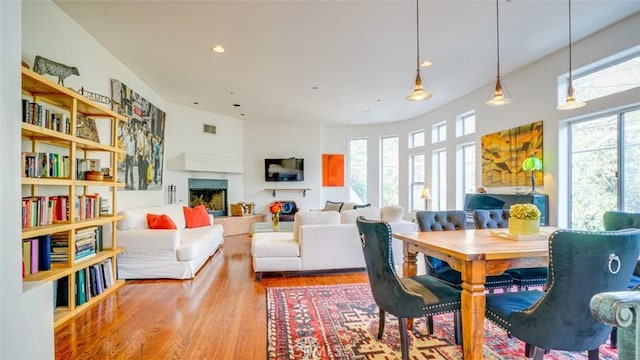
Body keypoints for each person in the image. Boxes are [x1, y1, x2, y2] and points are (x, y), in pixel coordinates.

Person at [136, 121, 150, 190]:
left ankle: (144, 190)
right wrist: (143, 146)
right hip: (141, 157)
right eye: (144, 127)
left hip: (145, 158)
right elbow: (138, 149)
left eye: (146, 127)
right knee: (140, 176)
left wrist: (146, 152)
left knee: (145, 177)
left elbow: (148, 149)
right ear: (142, 127)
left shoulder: (146, 137)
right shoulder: (139, 136)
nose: (146, 128)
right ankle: (140, 190)